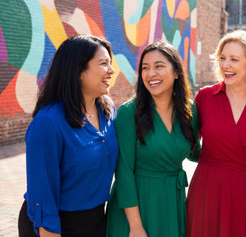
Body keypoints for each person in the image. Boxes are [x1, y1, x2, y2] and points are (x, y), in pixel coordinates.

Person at [18, 35, 118, 237]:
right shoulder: (48, 122)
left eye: (110, 63)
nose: (112, 70)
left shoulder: (107, 109)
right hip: (55, 224)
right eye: (103, 63)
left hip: (97, 219)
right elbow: (43, 194)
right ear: (79, 71)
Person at [186, 30, 246, 237]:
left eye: (234, 59)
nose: (225, 65)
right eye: (222, 58)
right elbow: (190, 143)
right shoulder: (205, 97)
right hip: (209, 189)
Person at [106, 41, 200, 237]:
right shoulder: (129, 113)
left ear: (176, 72)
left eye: (159, 66)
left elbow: (197, 154)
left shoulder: (189, 110)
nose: (150, 74)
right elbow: (124, 172)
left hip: (172, 202)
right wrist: (136, 227)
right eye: (145, 68)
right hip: (136, 205)